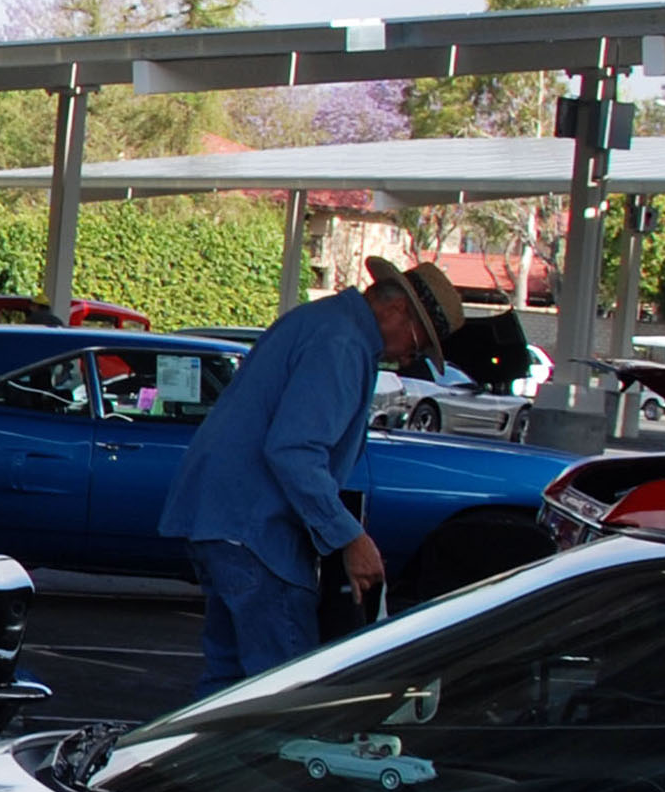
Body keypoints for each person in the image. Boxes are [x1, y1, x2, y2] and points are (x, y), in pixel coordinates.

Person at [156, 256, 463, 693]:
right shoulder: (343, 342)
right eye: (416, 343)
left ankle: (187, 759)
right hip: (257, 531)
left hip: (224, 522)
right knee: (287, 689)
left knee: (228, 683)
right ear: (396, 311)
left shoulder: (323, 321)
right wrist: (349, 538)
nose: (410, 356)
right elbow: (294, 450)